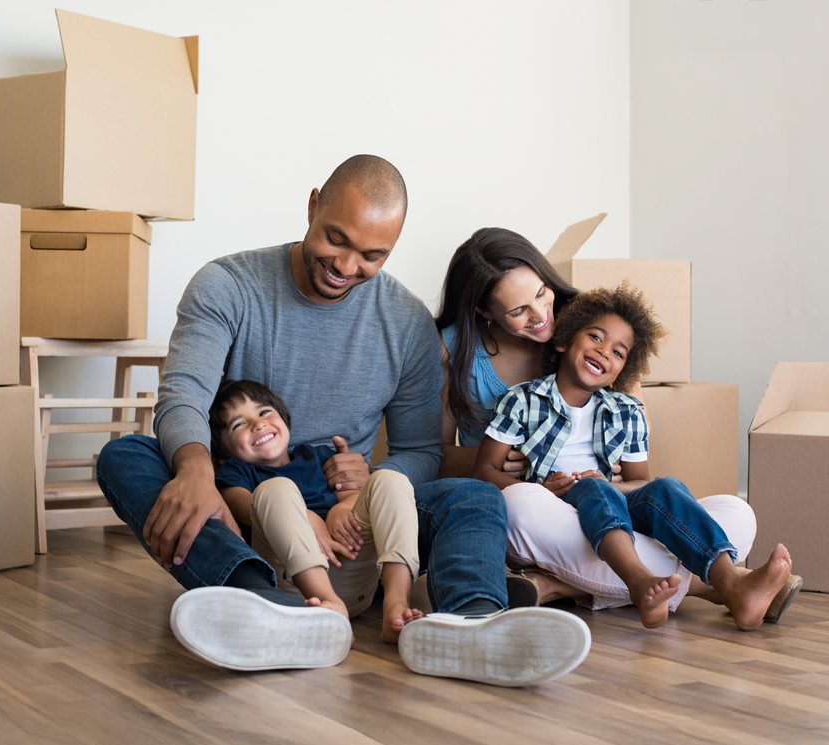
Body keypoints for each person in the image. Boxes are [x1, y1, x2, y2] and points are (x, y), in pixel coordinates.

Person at [96, 155, 591, 686]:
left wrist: (365, 484)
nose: (347, 266)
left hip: (354, 528)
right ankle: (258, 600)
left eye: (372, 255)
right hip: (244, 507)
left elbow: (422, 449)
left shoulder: (404, 322)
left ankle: (470, 623)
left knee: (474, 496)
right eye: (337, 239)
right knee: (125, 457)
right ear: (313, 206)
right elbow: (184, 393)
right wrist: (194, 469)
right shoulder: (227, 285)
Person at [435, 227, 800, 623]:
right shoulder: (499, 383)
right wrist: (519, 471)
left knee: (736, 513)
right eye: (519, 310)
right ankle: (717, 586)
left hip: (612, 507)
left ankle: (558, 585)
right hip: (537, 508)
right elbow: (438, 458)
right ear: (485, 312)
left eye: (541, 293)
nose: (543, 317)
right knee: (523, 504)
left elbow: (638, 478)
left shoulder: (597, 329)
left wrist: (614, 486)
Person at [209, 378, 423, 643]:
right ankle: (329, 604)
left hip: (352, 564)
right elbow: (242, 507)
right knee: (275, 489)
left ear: (284, 419)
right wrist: (306, 516)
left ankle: (396, 603)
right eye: (239, 424)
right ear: (222, 451)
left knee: (390, 480)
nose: (258, 424)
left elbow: (352, 493)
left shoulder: (316, 455)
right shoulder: (236, 472)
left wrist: (341, 508)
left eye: (264, 412)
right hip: (296, 584)